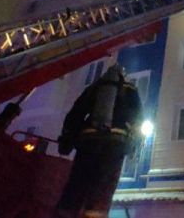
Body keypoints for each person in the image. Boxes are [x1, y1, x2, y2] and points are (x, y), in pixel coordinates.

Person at [54, 64, 143, 218]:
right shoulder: (131, 90)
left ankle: (65, 212)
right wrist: (133, 146)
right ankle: (94, 213)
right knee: (103, 188)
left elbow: (76, 113)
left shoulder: (95, 87)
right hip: (115, 145)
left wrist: (68, 139)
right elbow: (138, 120)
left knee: (77, 183)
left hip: (89, 142)